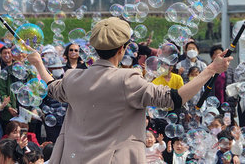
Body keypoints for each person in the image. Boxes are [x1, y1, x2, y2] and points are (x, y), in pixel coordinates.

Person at [26, 17, 233, 163]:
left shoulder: (74, 78)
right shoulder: (127, 79)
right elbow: (174, 99)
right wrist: (211, 70)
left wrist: (38, 64)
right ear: (122, 49)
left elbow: (52, 87)